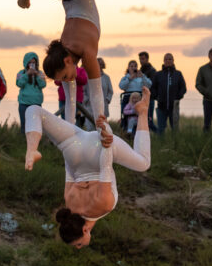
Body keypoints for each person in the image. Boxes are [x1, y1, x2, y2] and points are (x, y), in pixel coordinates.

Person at [18, 0, 190, 120]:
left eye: (65, 76)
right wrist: (71, 126)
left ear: (67, 61)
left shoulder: (85, 51)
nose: (68, 81)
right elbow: (70, 100)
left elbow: (96, 90)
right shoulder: (63, 51)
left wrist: (101, 121)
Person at [24, 88, 151, 247]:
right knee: (33, 110)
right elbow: (69, 168)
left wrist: (105, 141)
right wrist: (67, 145)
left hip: (98, 152)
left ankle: (142, 111)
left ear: (85, 231)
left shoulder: (103, 206)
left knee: (144, 163)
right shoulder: (69, 204)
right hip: (75, 152)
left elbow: (105, 167)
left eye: (79, 244)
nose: (79, 248)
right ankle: (31, 148)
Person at [150, 52, 187, 134]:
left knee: (175, 129)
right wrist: (157, 97)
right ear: (163, 61)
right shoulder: (158, 74)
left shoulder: (178, 74)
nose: (168, 61)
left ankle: (175, 144)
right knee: (161, 130)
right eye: (166, 59)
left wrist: (178, 97)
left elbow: (183, 88)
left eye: (170, 59)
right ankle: (161, 145)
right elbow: (153, 88)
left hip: (174, 107)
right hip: (161, 107)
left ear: (173, 61)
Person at [16, 52, 46, 133]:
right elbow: (19, 83)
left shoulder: (40, 73)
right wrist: (27, 74)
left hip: (36, 103)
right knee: (24, 125)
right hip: (24, 103)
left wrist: (36, 75)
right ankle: (23, 143)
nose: (32, 64)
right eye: (30, 62)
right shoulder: (20, 73)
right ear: (26, 62)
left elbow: (43, 84)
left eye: (34, 62)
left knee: (36, 125)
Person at [138, 51, 157, 130]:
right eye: (140, 59)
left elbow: (151, 84)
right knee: (144, 118)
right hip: (142, 97)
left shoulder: (152, 71)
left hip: (150, 98)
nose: (141, 61)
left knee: (149, 119)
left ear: (147, 59)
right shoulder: (140, 70)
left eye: (143, 59)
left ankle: (158, 134)